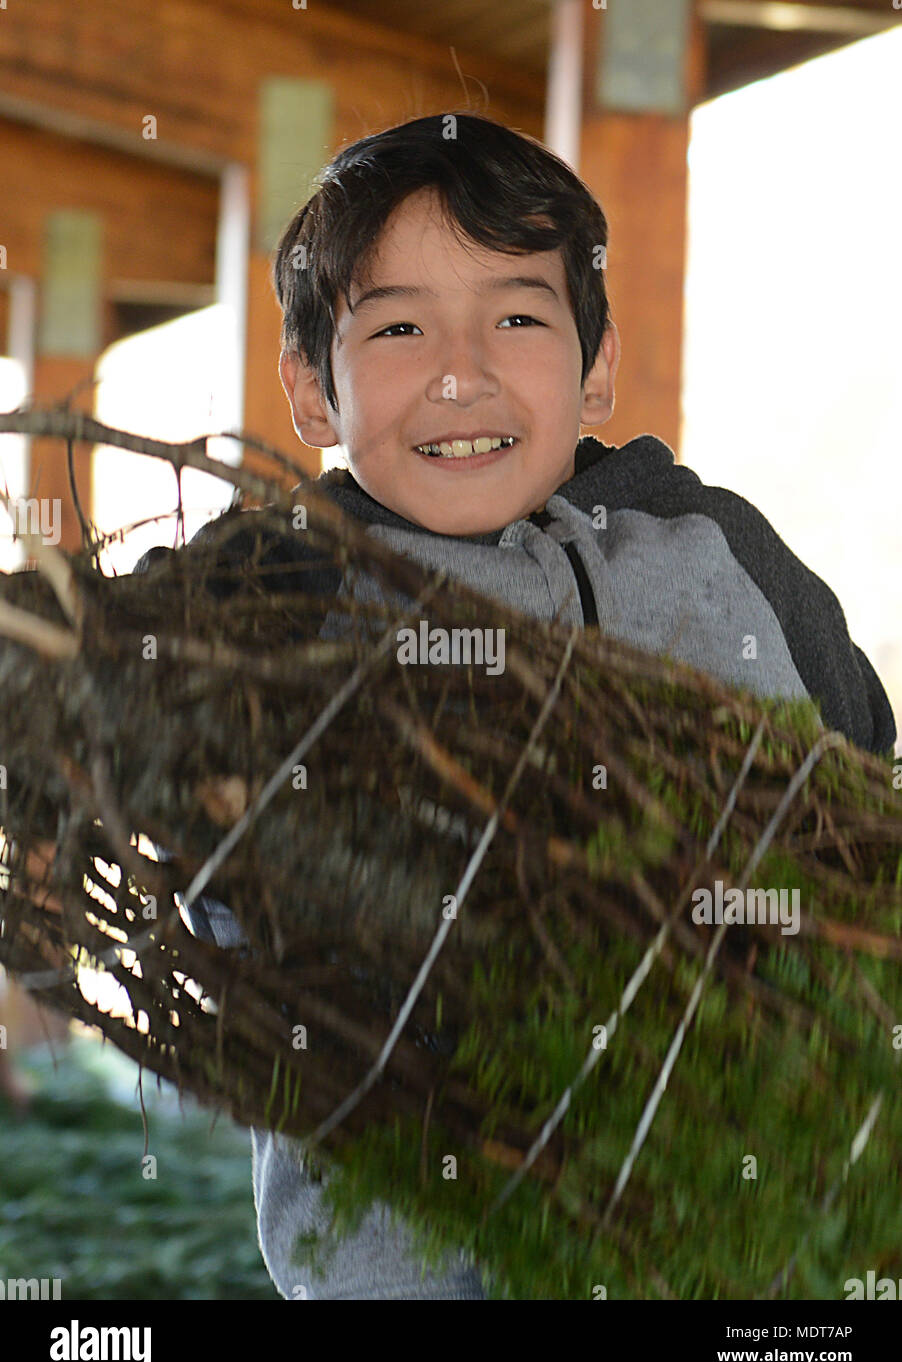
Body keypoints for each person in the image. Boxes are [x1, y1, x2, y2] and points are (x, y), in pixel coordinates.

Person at [135, 112, 896, 1300]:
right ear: (311, 390)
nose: (459, 371)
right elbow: (165, 803)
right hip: (418, 1262)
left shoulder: (715, 549)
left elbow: (860, 776)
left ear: (593, 366)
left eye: (516, 316)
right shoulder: (262, 592)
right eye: (396, 326)